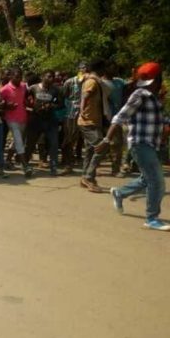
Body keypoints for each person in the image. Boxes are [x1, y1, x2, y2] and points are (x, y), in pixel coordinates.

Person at [100, 62, 170, 231]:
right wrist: (106, 140)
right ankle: (152, 218)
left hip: (152, 144)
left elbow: (161, 121)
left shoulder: (154, 97)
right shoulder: (140, 94)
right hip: (140, 143)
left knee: (147, 178)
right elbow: (119, 117)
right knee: (157, 181)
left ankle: (120, 193)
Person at [78, 59, 108, 192]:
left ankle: (86, 177)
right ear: (100, 69)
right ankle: (89, 177)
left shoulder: (94, 80)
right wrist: (83, 110)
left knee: (90, 150)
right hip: (88, 121)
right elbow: (85, 95)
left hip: (93, 121)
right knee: (101, 147)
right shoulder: (92, 81)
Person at [26, 70, 63, 175]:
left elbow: (60, 104)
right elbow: (24, 100)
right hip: (35, 120)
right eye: (49, 76)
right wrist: (30, 107)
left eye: (52, 77)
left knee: (54, 143)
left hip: (50, 120)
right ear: (42, 77)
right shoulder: (33, 88)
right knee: (30, 144)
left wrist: (51, 106)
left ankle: (53, 167)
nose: (51, 79)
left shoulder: (55, 90)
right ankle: (26, 165)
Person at [0, 67, 33, 177]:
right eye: (16, 76)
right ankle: (25, 166)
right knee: (19, 141)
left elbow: (27, 99)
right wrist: (7, 106)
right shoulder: (4, 89)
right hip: (11, 119)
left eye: (20, 76)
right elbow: (0, 105)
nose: (19, 79)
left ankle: (8, 160)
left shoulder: (24, 86)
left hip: (23, 117)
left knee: (17, 140)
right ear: (11, 76)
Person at [60, 63, 86, 174]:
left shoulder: (89, 82)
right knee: (69, 137)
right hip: (70, 114)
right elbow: (63, 97)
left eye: (86, 69)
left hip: (84, 113)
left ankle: (74, 159)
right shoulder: (70, 82)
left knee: (79, 138)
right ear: (78, 70)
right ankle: (67, 162)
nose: (84, 70)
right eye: (82, 69)